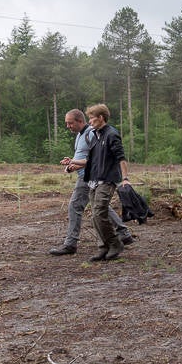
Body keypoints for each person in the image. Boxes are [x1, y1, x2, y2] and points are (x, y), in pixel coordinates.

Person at [49, 109, 134, 256]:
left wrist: (125, 178)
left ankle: (71, 243)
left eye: (70, 123)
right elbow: (87, 157)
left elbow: (99, 158)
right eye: (67, 123)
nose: (68, 126)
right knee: (100, 207)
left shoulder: (93, 133)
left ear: (80, 121)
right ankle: (123, 233)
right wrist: (72, 165)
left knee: (76, 206)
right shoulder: (80, 135)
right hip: (88, 176)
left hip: (94, 177)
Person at [82, 104, 131, 262]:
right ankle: (103, 247)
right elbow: (91, 161)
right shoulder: (94, 136)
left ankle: (115, 243)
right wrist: (73, 164)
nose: (89, 121)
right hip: (93, 181)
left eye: (91, 118)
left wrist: (125, 179)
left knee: (99, 213)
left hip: (108, 180)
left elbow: (121, 158)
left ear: (101, 117)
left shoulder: (112, 134)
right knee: (95, 217)